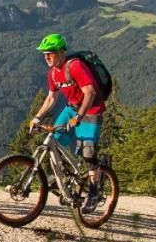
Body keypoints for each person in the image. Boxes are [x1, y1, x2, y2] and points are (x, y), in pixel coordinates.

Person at [27, 33, 107, 211]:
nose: (46, 57)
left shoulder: (75, 66)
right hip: (71, 108)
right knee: (54, 139)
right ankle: (60, 177)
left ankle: (94, 192)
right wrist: (37, 117)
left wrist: (78, 117)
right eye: (44, 53)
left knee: (88, 152)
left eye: (50, 53)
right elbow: (51, 98)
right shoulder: (53, 73)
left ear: (61, 52)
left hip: (91, 110)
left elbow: (90, 92)